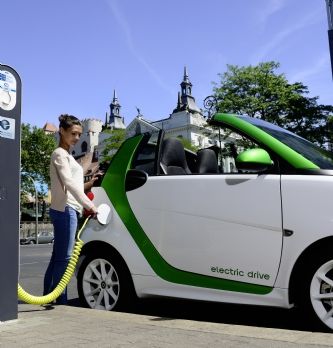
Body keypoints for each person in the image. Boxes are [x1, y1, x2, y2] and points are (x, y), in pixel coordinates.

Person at [43, 114, 98, 305]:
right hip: (66, 209)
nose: (76, 138)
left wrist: (91, 182)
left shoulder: (68, 156)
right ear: (62, 131)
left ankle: (48, 296)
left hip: (69, 208)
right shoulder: (59, 154)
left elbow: (73, 185)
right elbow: (67, 182)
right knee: (65, 258)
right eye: (73, 134)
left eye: (79, 134)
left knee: (58, 257)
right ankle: (60, 299)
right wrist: (90, 205)